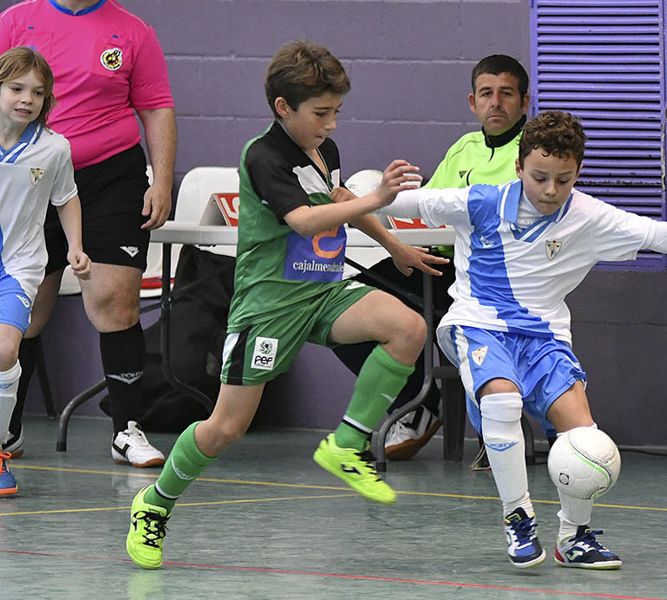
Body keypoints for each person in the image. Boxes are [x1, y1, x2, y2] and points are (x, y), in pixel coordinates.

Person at [370, 110, 667, 569]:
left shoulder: (589, 216)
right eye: (540, 177)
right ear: (518, 168)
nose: (550, 190)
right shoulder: (479, 202)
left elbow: (658, 234)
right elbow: (397, 206)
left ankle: (574, 537)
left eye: (563, 180)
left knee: (583, 435)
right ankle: (518, 516)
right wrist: (363, 196)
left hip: (545, 337)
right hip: (480, 323)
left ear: (577, 173)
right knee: (503, 403)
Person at [124, 40, 446, 570]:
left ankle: (347, 443)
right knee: (225, 429)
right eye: (322, 113)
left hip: (321, 292)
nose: (332, 124)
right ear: (283, 108)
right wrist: (380, 198)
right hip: (269, 307)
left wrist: (392, 243)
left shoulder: (325, 151)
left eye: (337, 111)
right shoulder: (263, 155)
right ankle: (155, 504)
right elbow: (303, 220)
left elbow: (337, 201)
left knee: (408, 328)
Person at [0, 0, 177, 467]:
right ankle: (8, 429)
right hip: (31, 177)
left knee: (116, 299)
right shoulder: (17, 20)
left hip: (110, 179)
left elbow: (156, 107)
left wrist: (160, 180)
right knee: (31, 307)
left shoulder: (133, 31)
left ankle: (126, 430)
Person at [332, 53, 531, 462]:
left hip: (489, 277)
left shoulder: (533, 152)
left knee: (406, 311)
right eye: (486, 94)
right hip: (435, 263)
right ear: (472, 102)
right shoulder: (463, 148)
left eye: (506, 94)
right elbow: (427, 208)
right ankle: (422, 403)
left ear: (525, 103)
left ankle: (426, 409)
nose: (495, 103)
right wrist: (371, 202)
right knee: (340, 315)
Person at [0, 47, 91, 495]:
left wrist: (75, 246)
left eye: (37, 92)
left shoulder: (53, 148)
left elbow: (67, 198)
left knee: (4, 352)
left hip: (17, 267)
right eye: (16, 88)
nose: (26, 99)